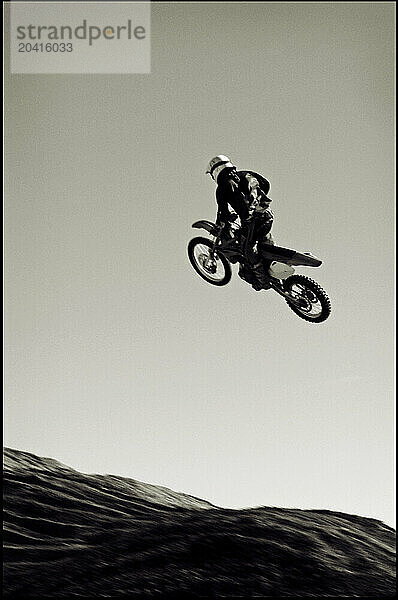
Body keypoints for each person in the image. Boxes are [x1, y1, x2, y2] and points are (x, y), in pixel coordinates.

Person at [205, 155, 275, 290]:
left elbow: (223, 212)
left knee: (246, 249)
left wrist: (223, 221)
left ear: (215, 170)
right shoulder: (246, 174)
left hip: (252, 222)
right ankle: (273, 265)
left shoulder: (222, 186)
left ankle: (263, 279)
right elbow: (266, 184)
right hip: (267, 215)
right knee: (264, 245)